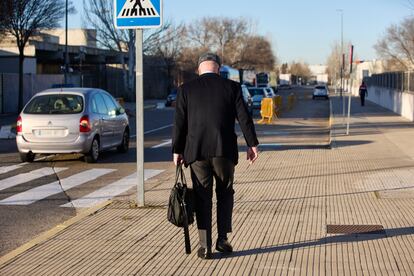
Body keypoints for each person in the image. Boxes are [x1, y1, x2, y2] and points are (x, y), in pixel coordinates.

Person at [172, 53, 259, 259]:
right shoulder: (232, 88)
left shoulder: (185, 90)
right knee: (225, 193)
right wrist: (252, 144)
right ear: (218, 69)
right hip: (224, 151)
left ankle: (204, 245)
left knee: (203, 196)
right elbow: (244, 118)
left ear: (199, 69)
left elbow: (180, 123)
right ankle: (223, 239)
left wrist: (177, 150)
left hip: (196, 152)